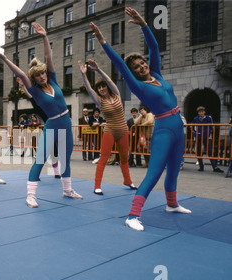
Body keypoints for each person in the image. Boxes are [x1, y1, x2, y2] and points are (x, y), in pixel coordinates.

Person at [90, 7, 191, 232]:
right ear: (134, 73)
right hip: (164, 127)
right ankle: (133, 215)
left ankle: (172, 204)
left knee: (174, 168)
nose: (142, 66)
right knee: (154, 172)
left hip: (178, 126)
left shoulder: (157, 74)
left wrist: (144, 24)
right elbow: (120, 65)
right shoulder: (139, 86)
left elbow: (154, 47)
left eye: (142, 63)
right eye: (137, 67)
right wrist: (103, 41)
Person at [0, 22, 83, 208]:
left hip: (66, 123)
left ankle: (67, 190)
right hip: (52, 125)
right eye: (38, 75)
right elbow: (19, 73)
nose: (42, 76)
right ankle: (30, 195)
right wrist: (5, 59)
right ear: (33, 78)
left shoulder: (53, 79)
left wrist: (44, 36)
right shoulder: (33, 90)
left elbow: (49, 56)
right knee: (40, 160)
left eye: (43, 73)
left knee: (65, 160)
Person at [78, 59, 137, 195]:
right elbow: (89, 88)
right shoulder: (100, 102)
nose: (102, 89)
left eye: (103, 86)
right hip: (110, 131)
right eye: (99, 88)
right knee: (104, 158)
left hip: (123, 130)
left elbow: (110, 81)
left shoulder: (116, 94)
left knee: (124, 158)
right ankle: (97, 186)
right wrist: (84, 75)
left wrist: (98, 69)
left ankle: (127, 180)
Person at [17, 77, 61, 178]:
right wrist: (23, 86)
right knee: (43, 153)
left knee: (55, 152)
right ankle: (36, 173)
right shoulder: (39, 107)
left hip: (58, 128)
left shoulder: (52, 101)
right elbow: (31, 97)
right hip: (49, 130)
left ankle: (56, 172)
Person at [192, 106, 224, 173]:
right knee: (198, 151)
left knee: (209, 151)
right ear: (198, 113)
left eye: (202, 111)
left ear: (204, 112)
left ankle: (214, 167)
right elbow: (191, 126)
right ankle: (201, 166)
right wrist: (195, 133)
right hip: (199, 136)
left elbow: (212, 126)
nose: (201, 113)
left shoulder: (208, 118)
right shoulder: (196, 119)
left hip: (206, 137)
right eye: (199, 112)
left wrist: (208, 133)